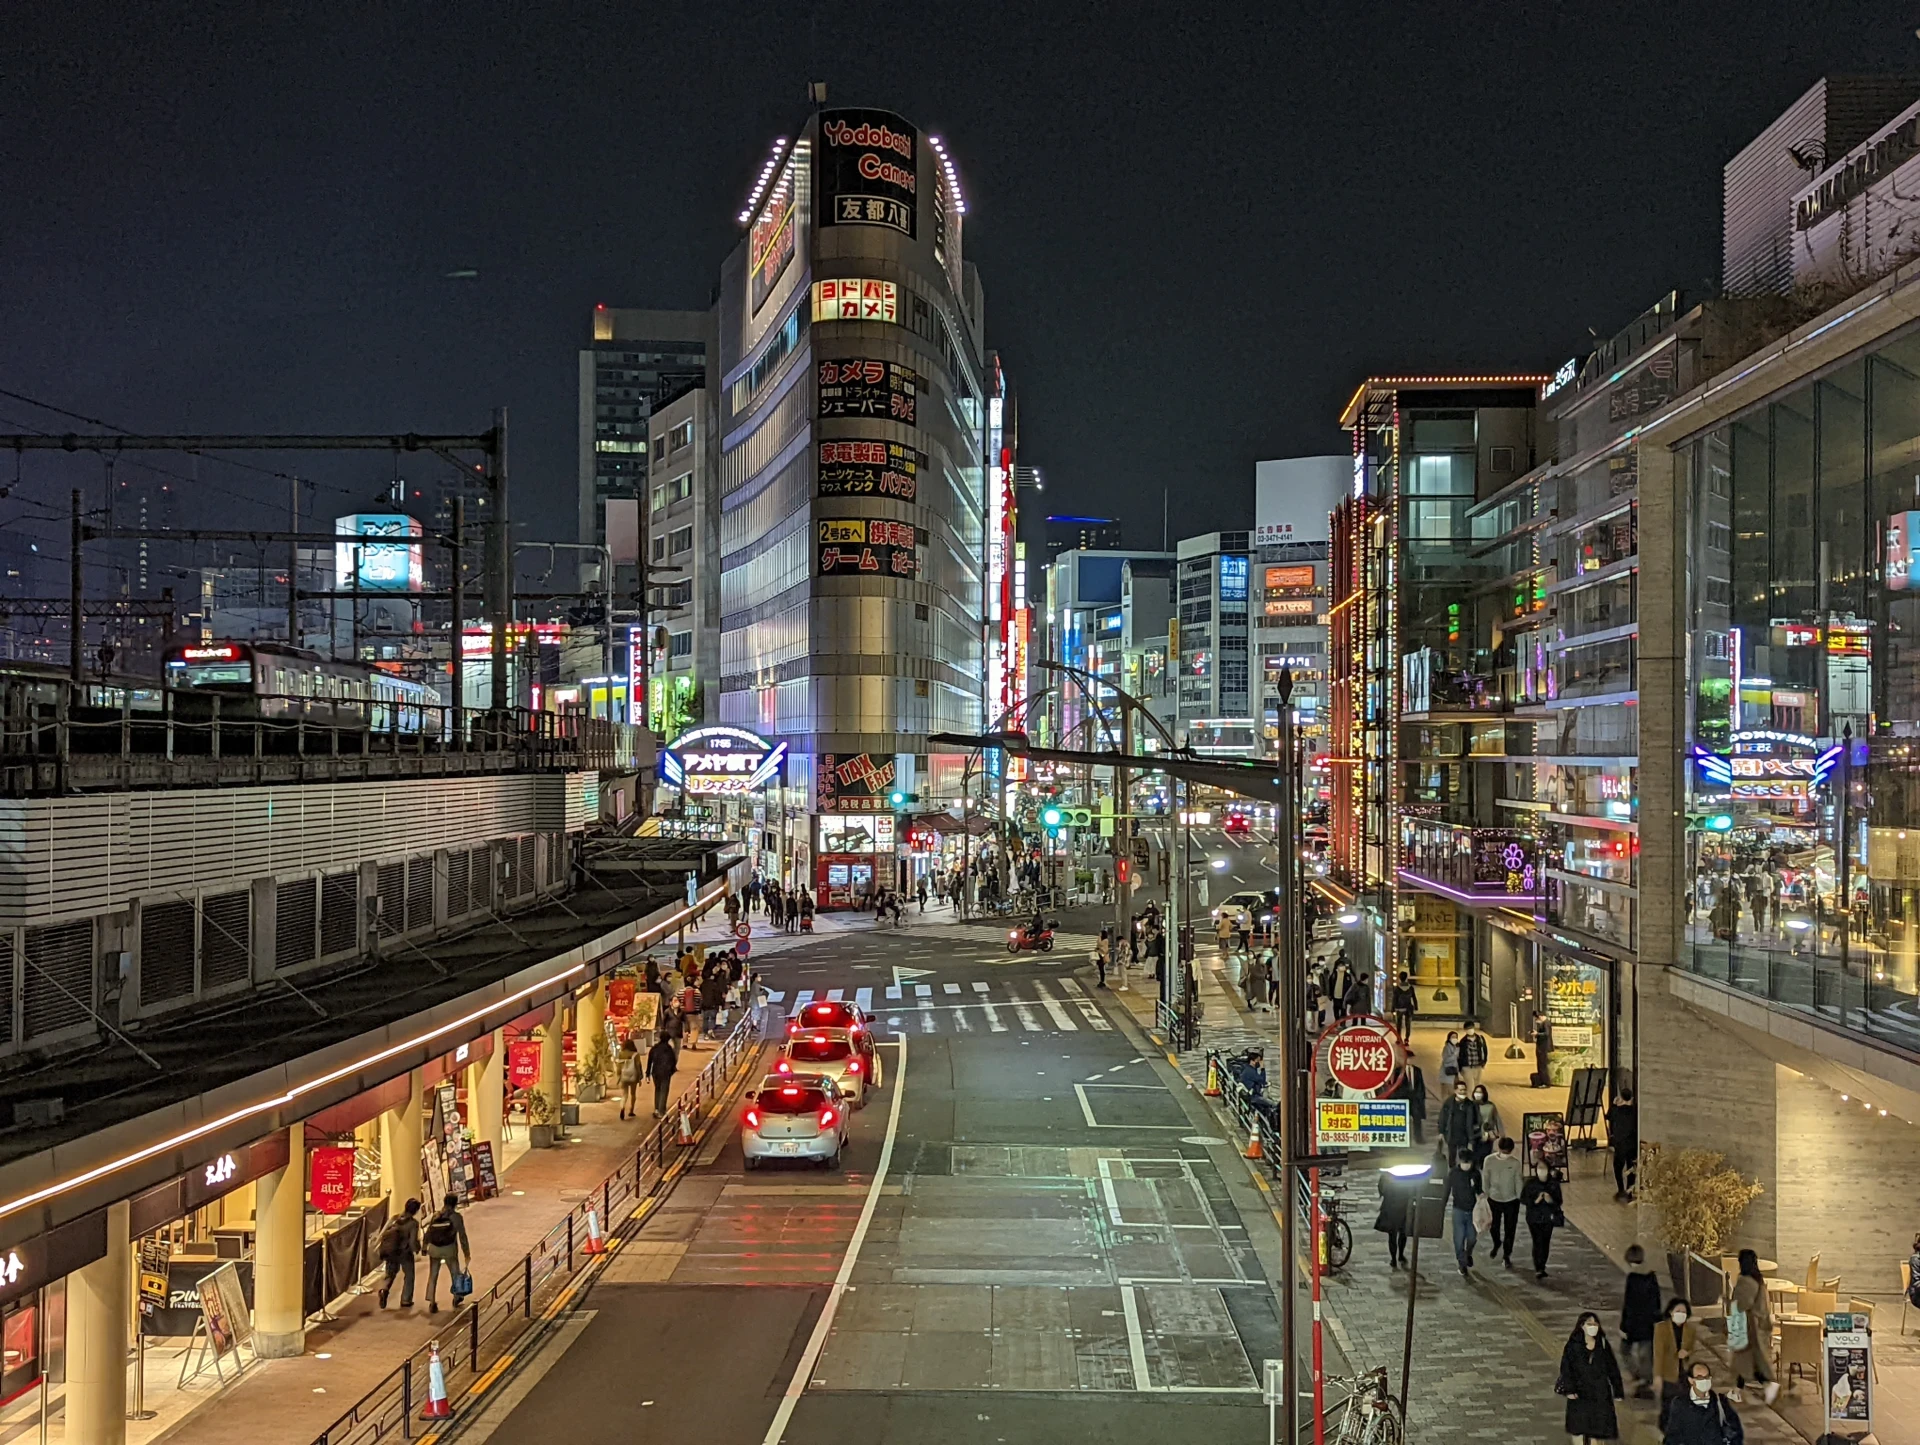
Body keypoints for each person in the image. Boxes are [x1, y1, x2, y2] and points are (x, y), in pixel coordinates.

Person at [1557, 1311, 1625, 1445]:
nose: (1593, 1327)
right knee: (1578, 1430)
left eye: (1595, 1324)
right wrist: (1569, 1390)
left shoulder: (1603, 1345)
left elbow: (1612, 1369)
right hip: (1579, 1395)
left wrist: (1618, 1391)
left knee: (1597, 1431)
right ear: (1582, 1326)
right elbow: (1566, 1369)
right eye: (1589, 1324)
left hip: (1599, 1395)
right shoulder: (1573, 1345)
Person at [1726, 1249, 1779, 1405]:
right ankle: (1738, 1389)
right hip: (1758, 1325)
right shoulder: (1758, 1279)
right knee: (1748, 1361)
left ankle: (1766, 1384)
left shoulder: (1745, 1281)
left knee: (1747, 1360)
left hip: (1748, 1326)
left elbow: (1742, 1304)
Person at [1662, 1362, 1742, 1445]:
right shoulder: (1680, 1404)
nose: (1704, 1380)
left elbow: (1735, 1431)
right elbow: (1672, 1437)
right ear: (1691, 1380)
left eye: (1707, 1377)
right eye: (1700, 1377)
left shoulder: (1720, 1402)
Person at [1620, 1244, 1662, 1399]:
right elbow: (1657, 1302)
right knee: (1646, 1355)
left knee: (1625, 1350)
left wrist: (1624, 1327)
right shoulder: (1652, 1277)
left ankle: (1638, 1376)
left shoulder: (1632, 1278)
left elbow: (1628, 1305)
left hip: (1634, 1325)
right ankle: (1646, 1381)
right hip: (1649, 1325)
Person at [1652, 1298, 1699, 1427]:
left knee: (1684, 1403)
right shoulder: (1661, 1328)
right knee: (1668, 1404)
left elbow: (1693, 1349)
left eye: (1683, 1311)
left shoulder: (1690, 1329)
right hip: (1668, 1373)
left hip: (1684, 1372)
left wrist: (1687, 1353)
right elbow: (1658, 1354)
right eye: (1678, 1310)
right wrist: (1657, 1376)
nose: (1681, 1314)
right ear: (1671, 1312)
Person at [422, 1192, 470, 1315]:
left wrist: (424, 1246)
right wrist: (466, 1253)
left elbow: (428, 1233)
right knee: (455, 1273)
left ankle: (432, 1301)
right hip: (449, 1249)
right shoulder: (456, 1217)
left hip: (434, 1249)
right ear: (455, 1203)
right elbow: (462, 1236)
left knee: (433, 1275)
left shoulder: (436, 1215)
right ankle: (457, 1296)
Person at [1482, 1136, 1523, 1268]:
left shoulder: (1515, 1163)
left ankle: (1507, 1255)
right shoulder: (1489, 1160)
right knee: (1494, 1226)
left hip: (1511, 1200)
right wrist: (1486, 1192)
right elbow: (1486, 1178)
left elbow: (1518, 1181)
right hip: (1494, 1198)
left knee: (1510, 1229)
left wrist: (1520, 1196)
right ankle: (1496, 1242)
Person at [376, 1197, 422, 1309]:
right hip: (405, 1253)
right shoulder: (413, 1223)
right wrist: (417, 1249)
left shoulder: (394, 1218)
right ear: (415, 1211)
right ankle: (406, 1299)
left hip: (391, 1251)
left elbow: (382, 1233)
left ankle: (384, 1289)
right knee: (409, 1275)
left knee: (390, 1274)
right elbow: (412, 1241)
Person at [1521, 1159, 1563, 1279]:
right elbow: (1523, 1199)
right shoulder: (1530, 1183)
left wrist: (1551, 1201)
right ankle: (1538, 1267)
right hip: (1533, 1218)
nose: (1541, 1170)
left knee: (1545, 1241)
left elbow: (1559, 1201)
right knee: (1537, 1241)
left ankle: (1542, 1265)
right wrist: (1536, 1200)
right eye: (1539, 1168)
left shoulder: (1553, 1184)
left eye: (1543, 1168)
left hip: (1548, 1218)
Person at [1374, 1166, 1421, 1269]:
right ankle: (1400, 1255)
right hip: (1404, 1206)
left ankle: (1394, 1259)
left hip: (1390, 1207)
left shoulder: (1387, 1174)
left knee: (1392, 1235)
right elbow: (1414, 1190)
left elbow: (1382, 1189)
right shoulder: (1407, 1174)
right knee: (1403, 1233)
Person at [1444, 1149, 1483, 1275]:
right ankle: (1462, 1263)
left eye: (1468, 1162)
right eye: (1464, 1162)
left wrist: (1481, 1196)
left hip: (1472, 1210)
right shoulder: (1453, 1173)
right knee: (1458, 1239)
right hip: (1458, 1210)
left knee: (1472, 1238)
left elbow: (1479, 1189)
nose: (1466, 1165)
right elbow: (1446, 1190)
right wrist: (1442, 1206)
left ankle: (1468, 1254)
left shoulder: (1475, 1174)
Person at [1606, 1086, 1639, 1201]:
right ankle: (1630, 1191)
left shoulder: (1616, 1111)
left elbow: (1608, 1116)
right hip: (1632, 1144)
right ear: (1632, 1098)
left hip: (1619, 1144)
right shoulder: (1635, 1111)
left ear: (1620, 1098)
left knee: (1618, 1167)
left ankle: (1620, 1190)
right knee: (1631, 1168)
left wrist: (1614, 1104)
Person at [1437, 1079, 1478, 1165]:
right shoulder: (1448, 1103)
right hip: (1451, 1134)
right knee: (1452, 1156)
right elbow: (1442, 1117)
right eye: (1461, 1090)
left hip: (1464, 1136)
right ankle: (1452, 1171)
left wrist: (1472, 1137)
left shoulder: (1470, 1104)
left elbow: (1473, 1121)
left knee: (1463, 1156)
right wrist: (1441, 1131)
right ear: (1455, 1090)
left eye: (1464, 1090)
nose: (1463, 1092)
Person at [646, 1032, 678, 1118]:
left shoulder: (655, 1048)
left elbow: (650, 1061)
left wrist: (648, 1073)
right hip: (666, 1072)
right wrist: (671, 1071)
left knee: (657, 1089)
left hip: (655, 1072)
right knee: (664, 1091)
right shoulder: (669, 1049)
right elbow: (673, 1062)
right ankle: (661, 1110)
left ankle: (656, 1109)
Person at [1470, 1083, 1503, 1168]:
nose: (1477, 1094)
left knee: (1485, 1156)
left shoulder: (1490, 1106)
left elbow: (1497, 1119)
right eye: (1476, 1092)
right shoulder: (1470, 1105)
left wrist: (1501, 1134)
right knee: (1475, 1157)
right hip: (1475, 1135)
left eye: (1480, 1092)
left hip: (1488, 1135)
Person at [1457, 1020, 1489, 1093]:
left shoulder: (1480, 1039)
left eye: (1471, 1028)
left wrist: (1484, 1062)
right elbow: (1460, 1055)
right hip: (1467, 1067)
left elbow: (1484, 1050)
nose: (1470, 1030)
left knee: (1477, 1087)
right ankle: (1470, 1102)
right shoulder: (1463, 1042)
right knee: (1470, 1087)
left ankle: (1475, 1103)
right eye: (1468, 1029)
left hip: (1478, 1066)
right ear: (1465, 1030)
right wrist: (1460, 1068)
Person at [617, 1038, 642, 1120]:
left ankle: (622, 1107)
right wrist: (639, 1078)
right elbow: (638, 1067)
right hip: (633, 1076)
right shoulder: (635, 1055)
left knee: (624, 1094)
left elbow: (618, 1067)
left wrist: (618, 1076)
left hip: (623, 1077)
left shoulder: (621, 1054)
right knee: (633, 1094)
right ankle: (631, 1110)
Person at [1391, 972, 1417, 1042]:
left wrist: (1393, 1008)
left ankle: (1398, 1038)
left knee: (1399, 1024)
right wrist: (1416, 1006)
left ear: (1399, 978)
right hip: (1408, 1008)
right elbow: (1414, 997)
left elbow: (1394, 999)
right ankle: (1407, 1039)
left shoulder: (1397, 988)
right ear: (1406, 978)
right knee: (1408, 1024)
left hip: (1399, 1008)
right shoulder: (1410, 987)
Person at [1533, 1010, 1553, 1088]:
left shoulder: (1546, 1023)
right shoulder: (1544, 1023)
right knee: (1541, 1065)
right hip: (1542, 1047)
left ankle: (1545, 1082)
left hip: (1543, 1047)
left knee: (1542, 1065)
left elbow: (1546, 1034)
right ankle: (1542, 1081)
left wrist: (1537, 1034)